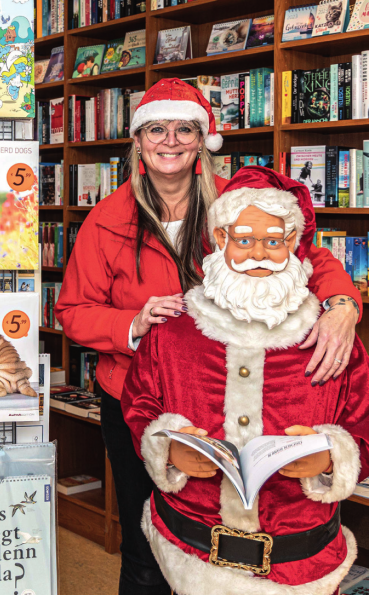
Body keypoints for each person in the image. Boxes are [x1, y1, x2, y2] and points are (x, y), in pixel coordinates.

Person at [54, 78, 363, 595]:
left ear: (202, 141)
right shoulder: (105, 221)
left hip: (233, 396)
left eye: (184, 130)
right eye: (156, 129)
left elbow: (312, 255)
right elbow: (73, 311)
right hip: (140, 401)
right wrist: (132, 322)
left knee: (225, 552)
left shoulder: (237, 204)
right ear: (138, 140)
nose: (169, 141)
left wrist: (343, 305)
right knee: (147, 546)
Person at [121, 167, 369, 595]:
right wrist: (167, 445)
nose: (259, 253)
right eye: (244, 239)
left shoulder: (331, 334)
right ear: (220, 240)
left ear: (293, 244)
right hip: (190, 551)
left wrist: (331, 459)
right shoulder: (173, 329)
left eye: (273, 241)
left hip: (300, 561)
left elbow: (363, 423)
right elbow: (140, 404)